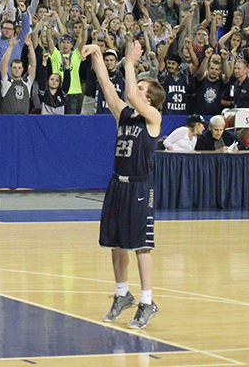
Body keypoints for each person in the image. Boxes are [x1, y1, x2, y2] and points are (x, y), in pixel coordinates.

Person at [84, 39, 165, 328]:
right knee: (116, 245)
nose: (135, 90)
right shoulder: (125, 116)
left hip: (140, 187)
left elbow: (130, 93)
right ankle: (122, 294)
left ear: (150, 100)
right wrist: (95, 53)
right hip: (117, 184)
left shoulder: (153, 118)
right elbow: (108, 88)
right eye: (137, 85)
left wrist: (130, 62)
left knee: (141, 247)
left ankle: (147, 301)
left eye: (142, 89)